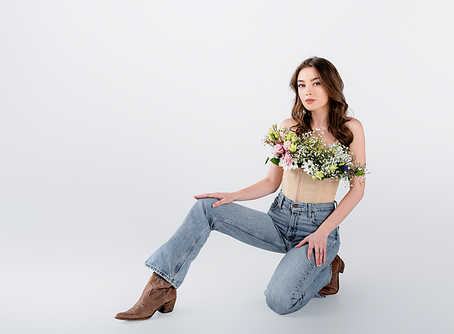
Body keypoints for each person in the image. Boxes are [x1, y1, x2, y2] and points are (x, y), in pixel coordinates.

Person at [115, 56, 366, 320]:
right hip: (279, 220)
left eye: (316, 83)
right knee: (206, 207)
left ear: (331, 85)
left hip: (318, 229)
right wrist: (232, 196)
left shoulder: (350, 130)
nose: (308, 91)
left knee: (279, 301)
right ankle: (161, 286)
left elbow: (357, 190)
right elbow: (272, 182)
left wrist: (323, 232)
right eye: (302, 85)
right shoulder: (289, 127)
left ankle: (327, 269)